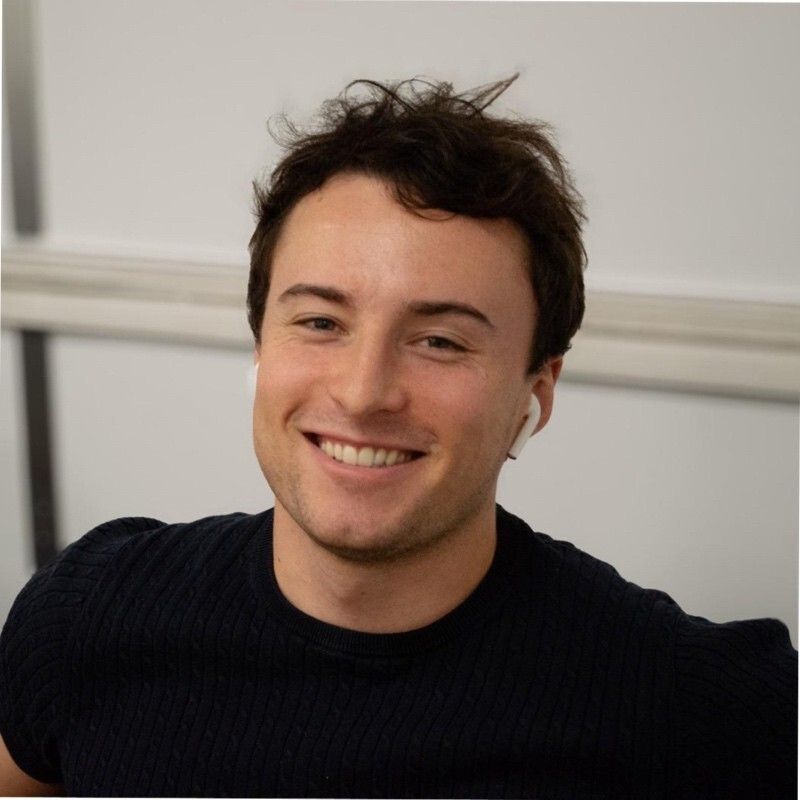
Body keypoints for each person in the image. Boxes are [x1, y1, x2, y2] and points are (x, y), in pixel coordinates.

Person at [0, 76, 795, 799]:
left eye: (440, 341)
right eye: (320, 322)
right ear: (260, 344)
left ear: (536, 393)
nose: (362, 392)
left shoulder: (678, 700)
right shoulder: (92, 615)